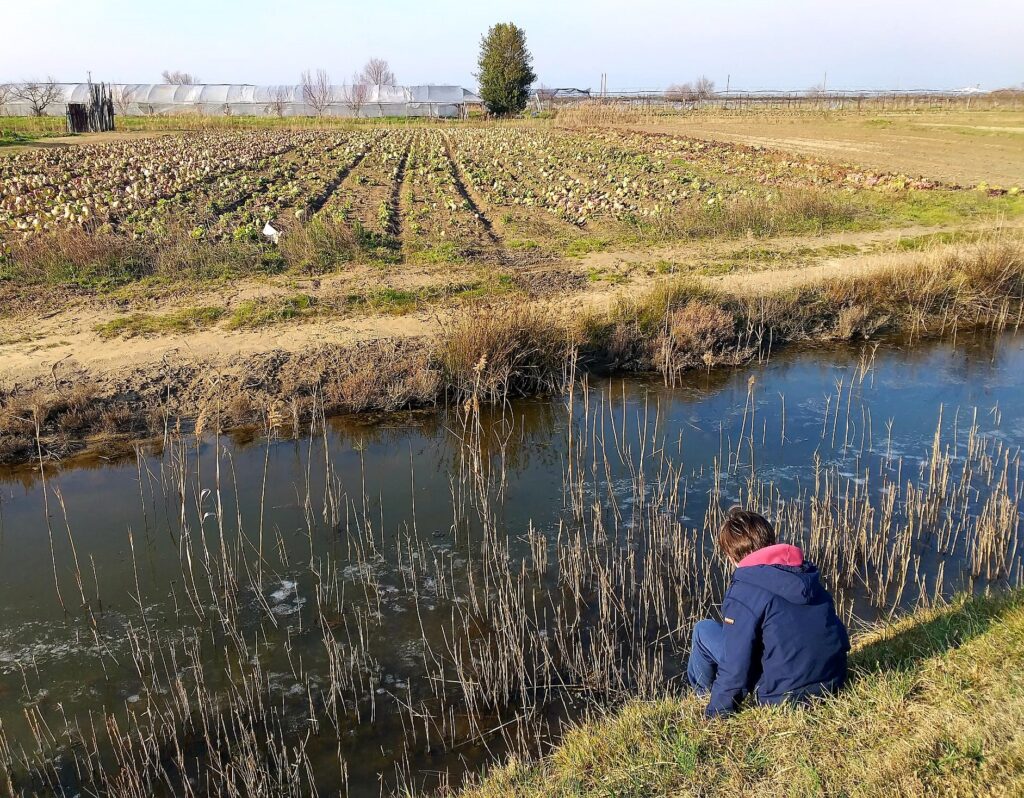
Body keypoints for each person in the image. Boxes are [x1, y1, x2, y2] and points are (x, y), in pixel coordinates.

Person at [688, 507, 849, 718]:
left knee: (703, 630)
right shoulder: (806, 573)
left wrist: (717, 714)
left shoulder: (744, 589)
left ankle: (701, 695)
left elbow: (734, 665)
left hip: (783, 696)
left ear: (730, 555)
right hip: (832, 680)